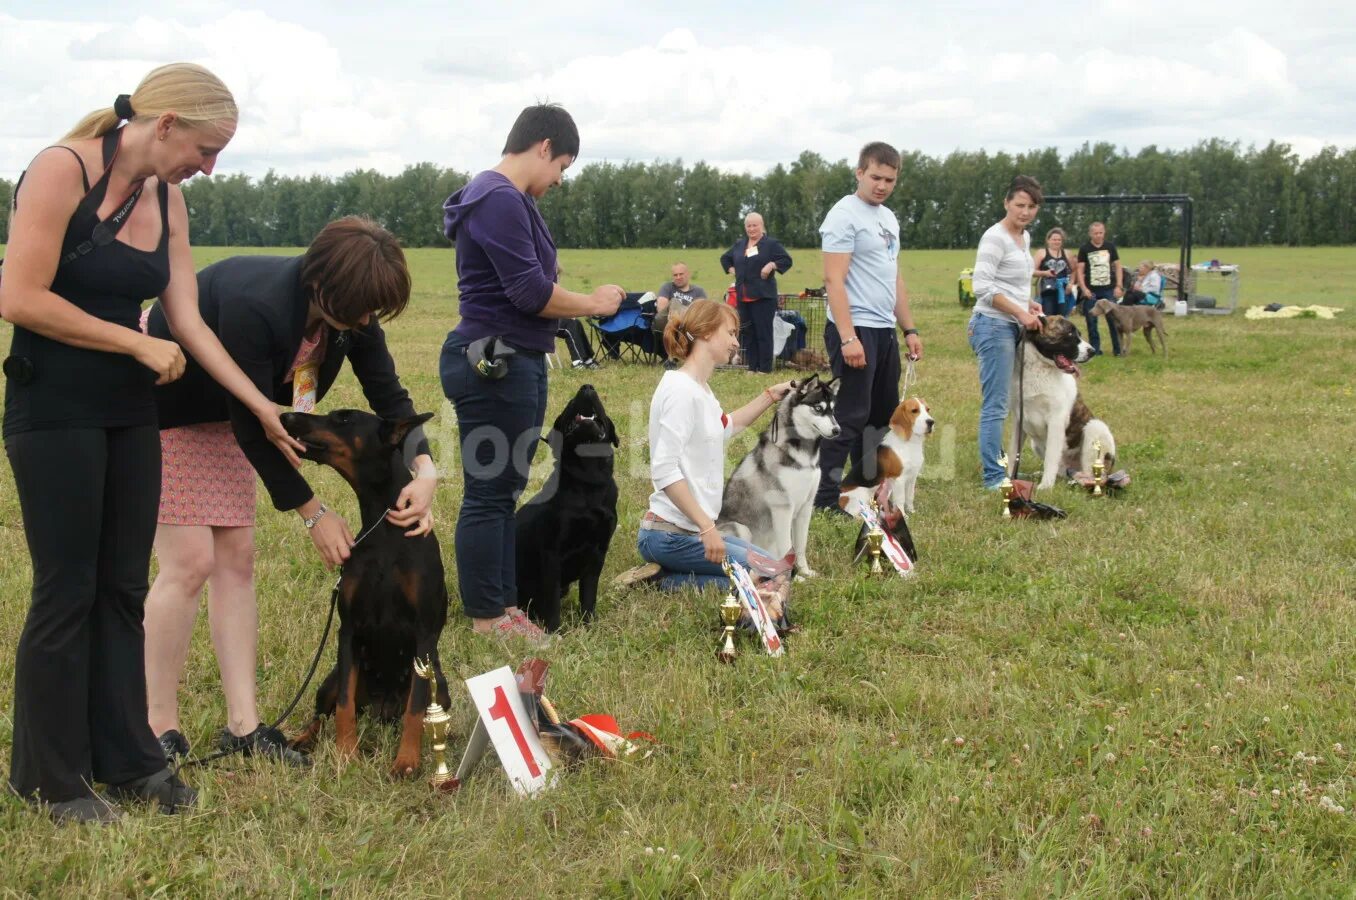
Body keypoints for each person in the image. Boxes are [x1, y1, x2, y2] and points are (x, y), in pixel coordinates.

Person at [0, 63, 286, 823]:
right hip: (53, 404)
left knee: (124, 589)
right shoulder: (62, 170)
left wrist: (259, 404)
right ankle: (49, 778)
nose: (209, 165)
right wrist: (132, 345)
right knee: (69, 590)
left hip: (131, 411)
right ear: (164, 125)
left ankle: (128, 760)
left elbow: (187, 320)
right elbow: (18, 296)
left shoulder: (171, 199)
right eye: (206, 147)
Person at [141, 216, 434, 768]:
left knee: (237, 559)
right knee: (188, 562)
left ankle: (244, 728)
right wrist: (312, 511)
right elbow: (253, 423)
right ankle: (157, 726)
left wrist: (426, 467)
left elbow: (389, 394)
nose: (369, 321)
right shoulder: (257, 306)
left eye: (375, 311)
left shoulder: (351, 314)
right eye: (364, 309)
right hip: (168, 409)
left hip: (232, 417)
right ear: (323, 287)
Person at [439, 103, 624, 642]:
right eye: (562, 166)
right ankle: (487, 616)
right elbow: (529, 293)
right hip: (496, 363)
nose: (560, 179)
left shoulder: (508, 200)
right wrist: (592, 303)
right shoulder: (498, 199)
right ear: (544, 146)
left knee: (503, 490)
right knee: (489, 493)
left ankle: (502, 605)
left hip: (511, 358)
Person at [633, 299, 794, 591]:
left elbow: (725, 427)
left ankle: (665, 575)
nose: (735, 342)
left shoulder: (700, 389)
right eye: (731, 333)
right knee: (767, 579)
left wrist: (771, 395)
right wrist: (708, 529)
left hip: (691, 532)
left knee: (775, 568)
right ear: (706, 332)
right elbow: (664, 470)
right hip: (668, 535)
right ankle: (660, 582)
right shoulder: (681, 391)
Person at [812, 142, 924, 511]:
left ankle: (863, 490)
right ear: (860, 172)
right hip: (854, 328)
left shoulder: (888, 218)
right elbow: (834, 280)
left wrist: (908, 329)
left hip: (883, 329)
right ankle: (824, 498)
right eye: (875, 177)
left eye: (890, 179)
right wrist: (848, 338)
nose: (882, 185)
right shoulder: (843, 216)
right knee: (848, 417)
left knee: (880, 417)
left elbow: (894, 278)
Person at [968, 175, 1045, 489]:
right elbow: (982, 288)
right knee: (996, 403)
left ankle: (1003, 465)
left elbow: (1010, 284)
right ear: (1006, 203)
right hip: (992, 326)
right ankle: (993, 476)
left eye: (1031, 207)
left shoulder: (1023, 238)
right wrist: (1019, 313)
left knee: (1008, 399)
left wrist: (1029, 303)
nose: (1025, 212)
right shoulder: (994, 238)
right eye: (1019, 205)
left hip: (1014, 323)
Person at [720, 213, 792, 374]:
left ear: (762, 226)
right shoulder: (740, 244)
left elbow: (787, 260)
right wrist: (733, 271)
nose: (752, 229)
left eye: (755, 225)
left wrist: (772, 265)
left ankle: (765, 369)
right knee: (748, 333)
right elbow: (725, 258)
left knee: (763, 332)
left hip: (763, 296)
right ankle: (752, 367)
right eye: (748, 226)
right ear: (745, 227)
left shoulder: (771, 244)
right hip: (743, 297)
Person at [1075, 221, 1123, 356]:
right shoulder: (1085, 249)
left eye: (1101, 233)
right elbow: (1080, 270)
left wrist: (1119, 286)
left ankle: (1118, 349)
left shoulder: (1110, 247)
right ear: (1090, 233)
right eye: (1095, 233)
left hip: (1108, 289)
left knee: (1113, 319)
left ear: (1104, 232)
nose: (1098, 236)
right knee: (1091, 319)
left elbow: (1118, 266)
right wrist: (1084, 288)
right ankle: (1095, 349)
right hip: (1092, 291)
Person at [653, 262, 707, 368]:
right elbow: (661, 308)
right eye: (675, 275)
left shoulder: (698, 291)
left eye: (681, 274)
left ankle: (672, 358)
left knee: (695, 309)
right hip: (664, 322)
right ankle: (673, 355)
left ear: (688, 274)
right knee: (674, 302)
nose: (678, 277)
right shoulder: (667, 287)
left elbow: (700, 312)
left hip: (688, 324)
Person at [1033, 226, 1075, 316]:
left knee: (1062, 317)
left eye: (1059, 240)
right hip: (1047, 290)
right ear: (1048, 240)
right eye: (1054, 239)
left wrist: (1071, 283)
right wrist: (1044, 273)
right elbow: (1031, 271)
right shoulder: (1041, 253)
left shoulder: (1067, 253)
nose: (1057, 242)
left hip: (1063, 290)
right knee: (1048, 316)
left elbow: (1074, 270)